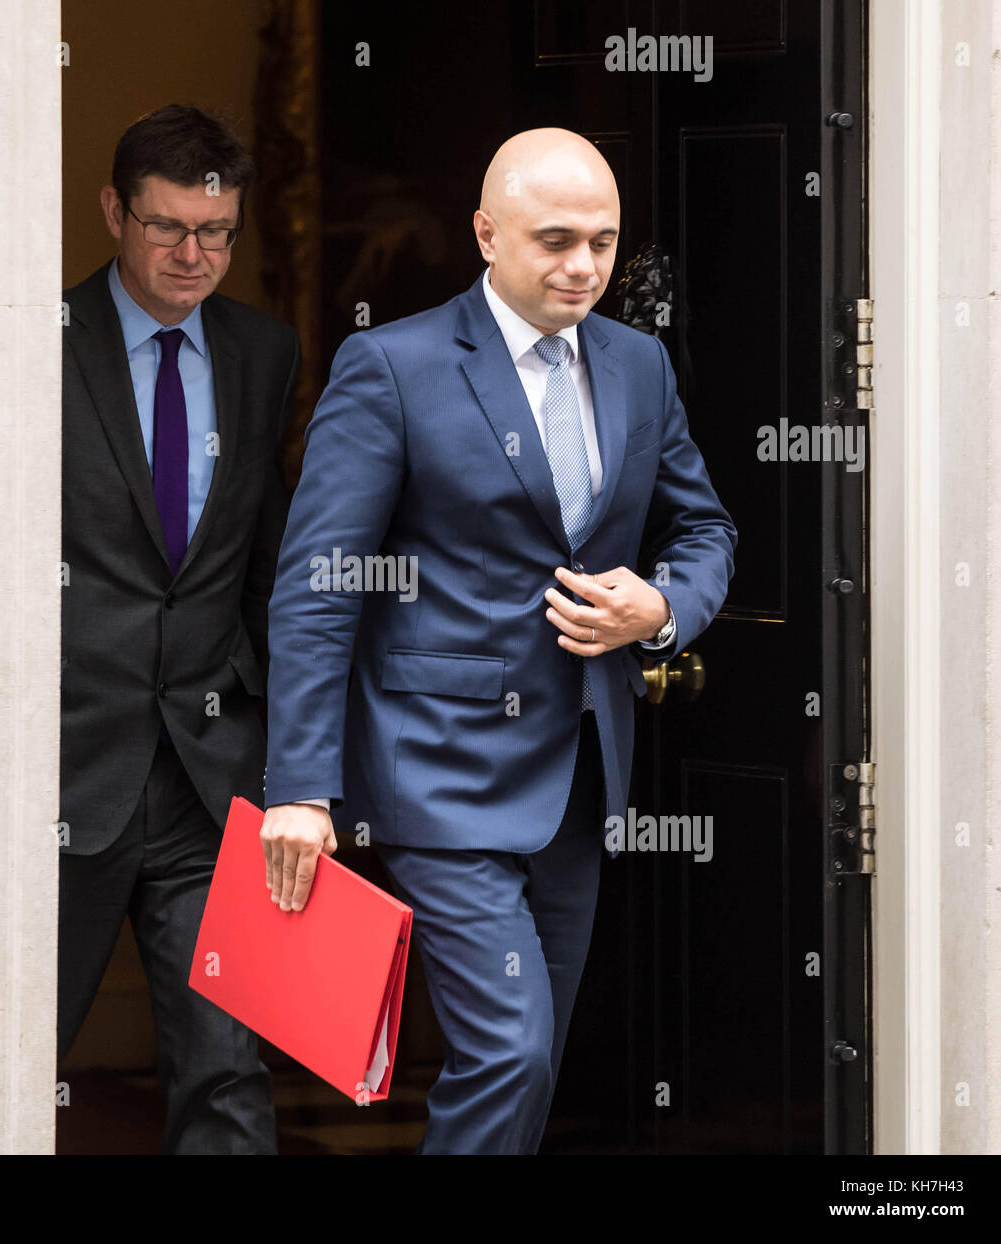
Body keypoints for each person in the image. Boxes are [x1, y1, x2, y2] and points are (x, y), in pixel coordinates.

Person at [259, 127, 736, 1154]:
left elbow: (704, 529)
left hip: (578, 769)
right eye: (556, 239)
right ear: (486, 232)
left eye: (603, 244)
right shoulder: (391, 365)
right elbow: (316, 585)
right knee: (511, 1050)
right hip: (436, 770)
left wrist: (660, 608)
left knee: (531, 1057)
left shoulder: (639, 365)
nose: (583, 267)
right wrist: (299, 785)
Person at [59, 104, 299, 1154]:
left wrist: (292, 761)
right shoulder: (36, 344)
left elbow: (266, 569)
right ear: (115, 211)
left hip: (209, 772)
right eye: (166, 228)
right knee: (11, 1059)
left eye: (216, 232)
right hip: (62, 770)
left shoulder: (264, 352)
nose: (193, 254)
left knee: (224, 1069)